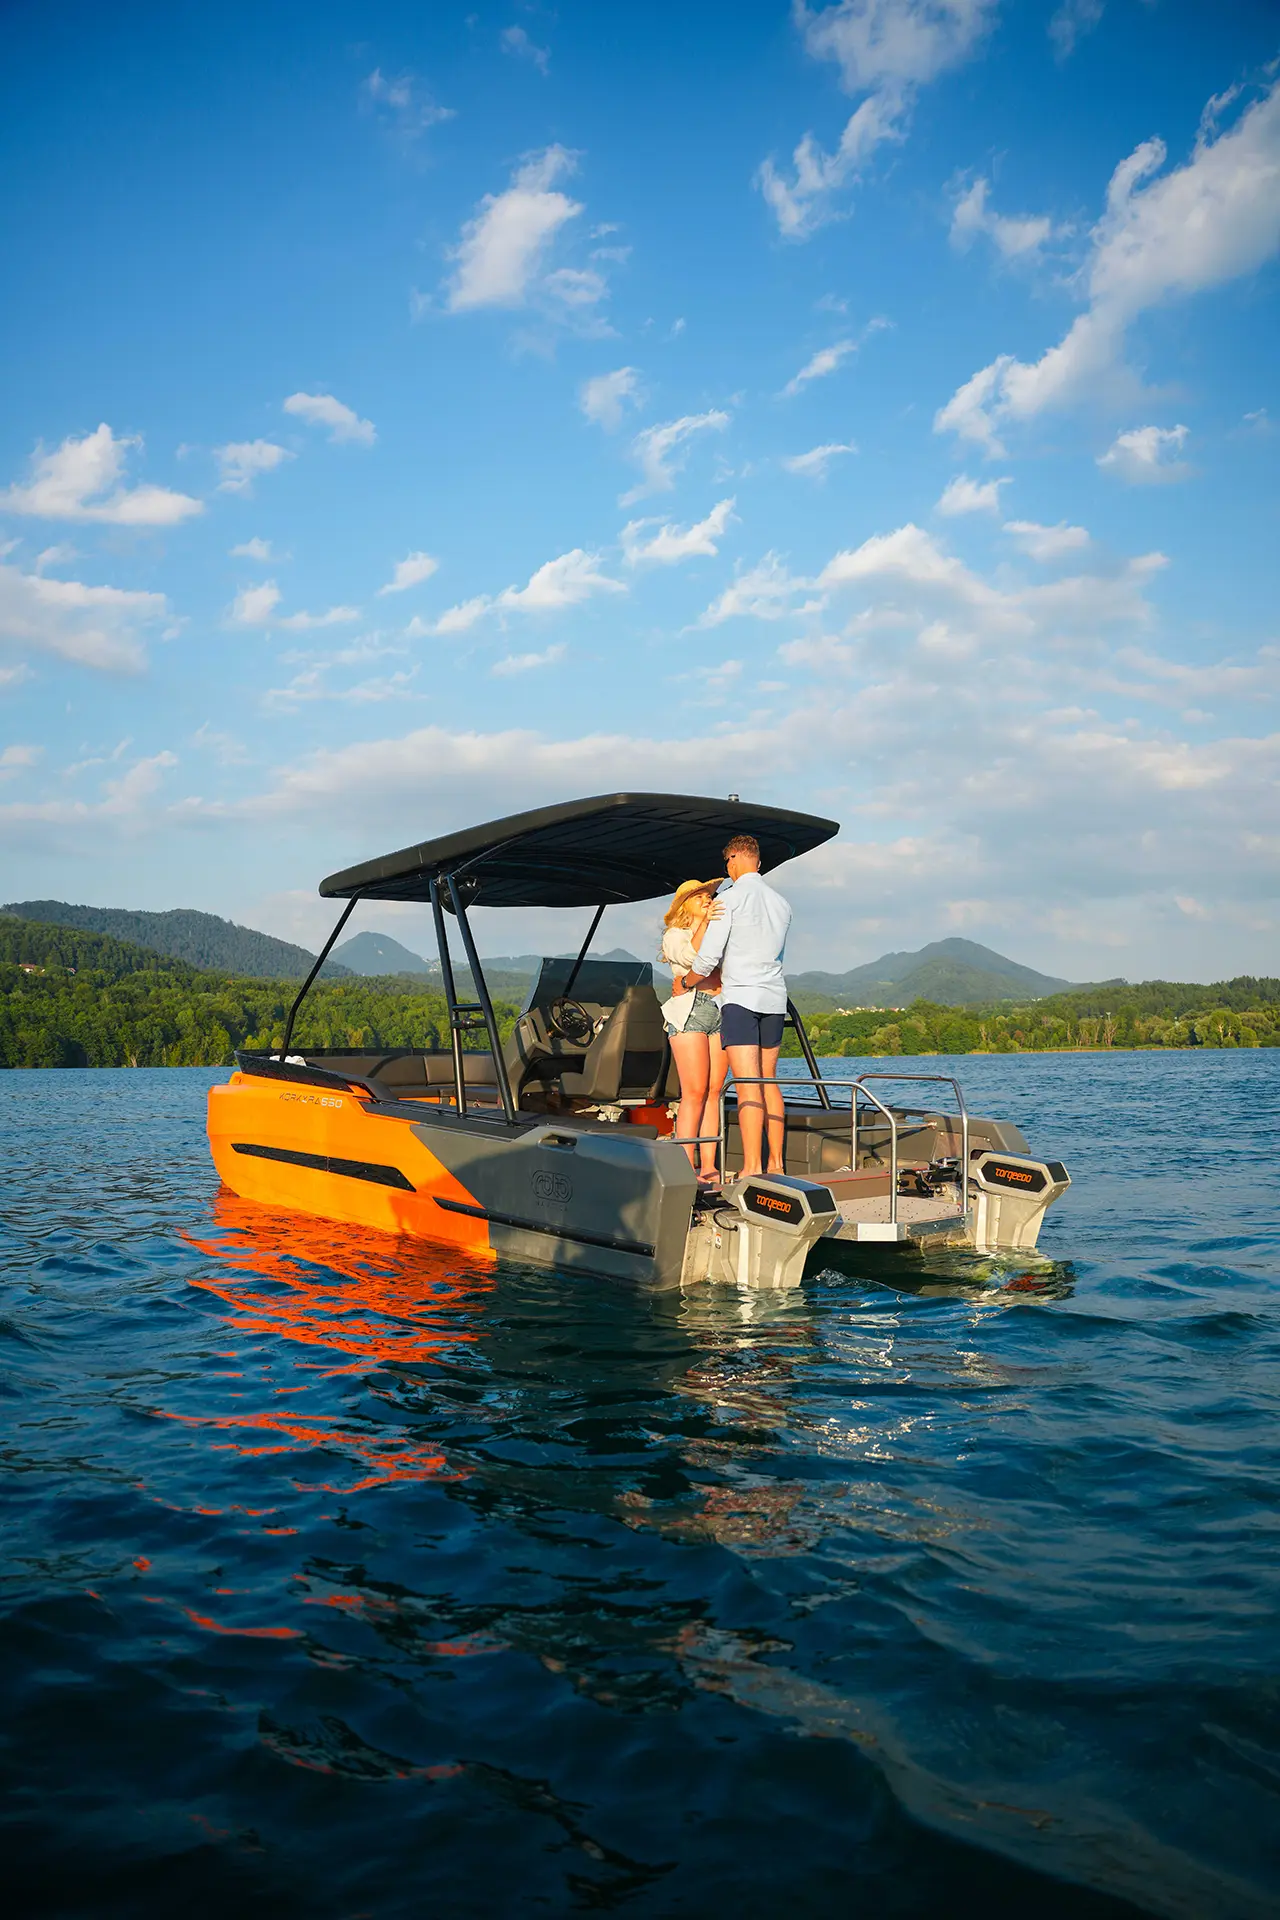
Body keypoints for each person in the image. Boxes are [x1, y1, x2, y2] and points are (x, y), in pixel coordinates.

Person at [678, 833, 791, 1178]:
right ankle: (777, 1163)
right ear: (758, 860)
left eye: (727, 861)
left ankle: (752, 1167)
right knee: (768, 1080)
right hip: (774, 998)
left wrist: (686, 983)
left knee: (746, 1084)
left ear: (735, 859)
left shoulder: (729, 899)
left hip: (741, 999)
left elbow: (709, 956)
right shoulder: (781, 903)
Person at [659, 879, 728, 1185]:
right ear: (684, 905)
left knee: (715, 1092)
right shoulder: (675, 935)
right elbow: (691, 960)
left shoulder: (718, 931)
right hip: (690, 1009)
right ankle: (687, 1165)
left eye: (708, 895)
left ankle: (710, 1166)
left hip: (720, 1007)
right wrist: (703, 927)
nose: (706, 899)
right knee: (694, 1092)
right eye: (698, 896)